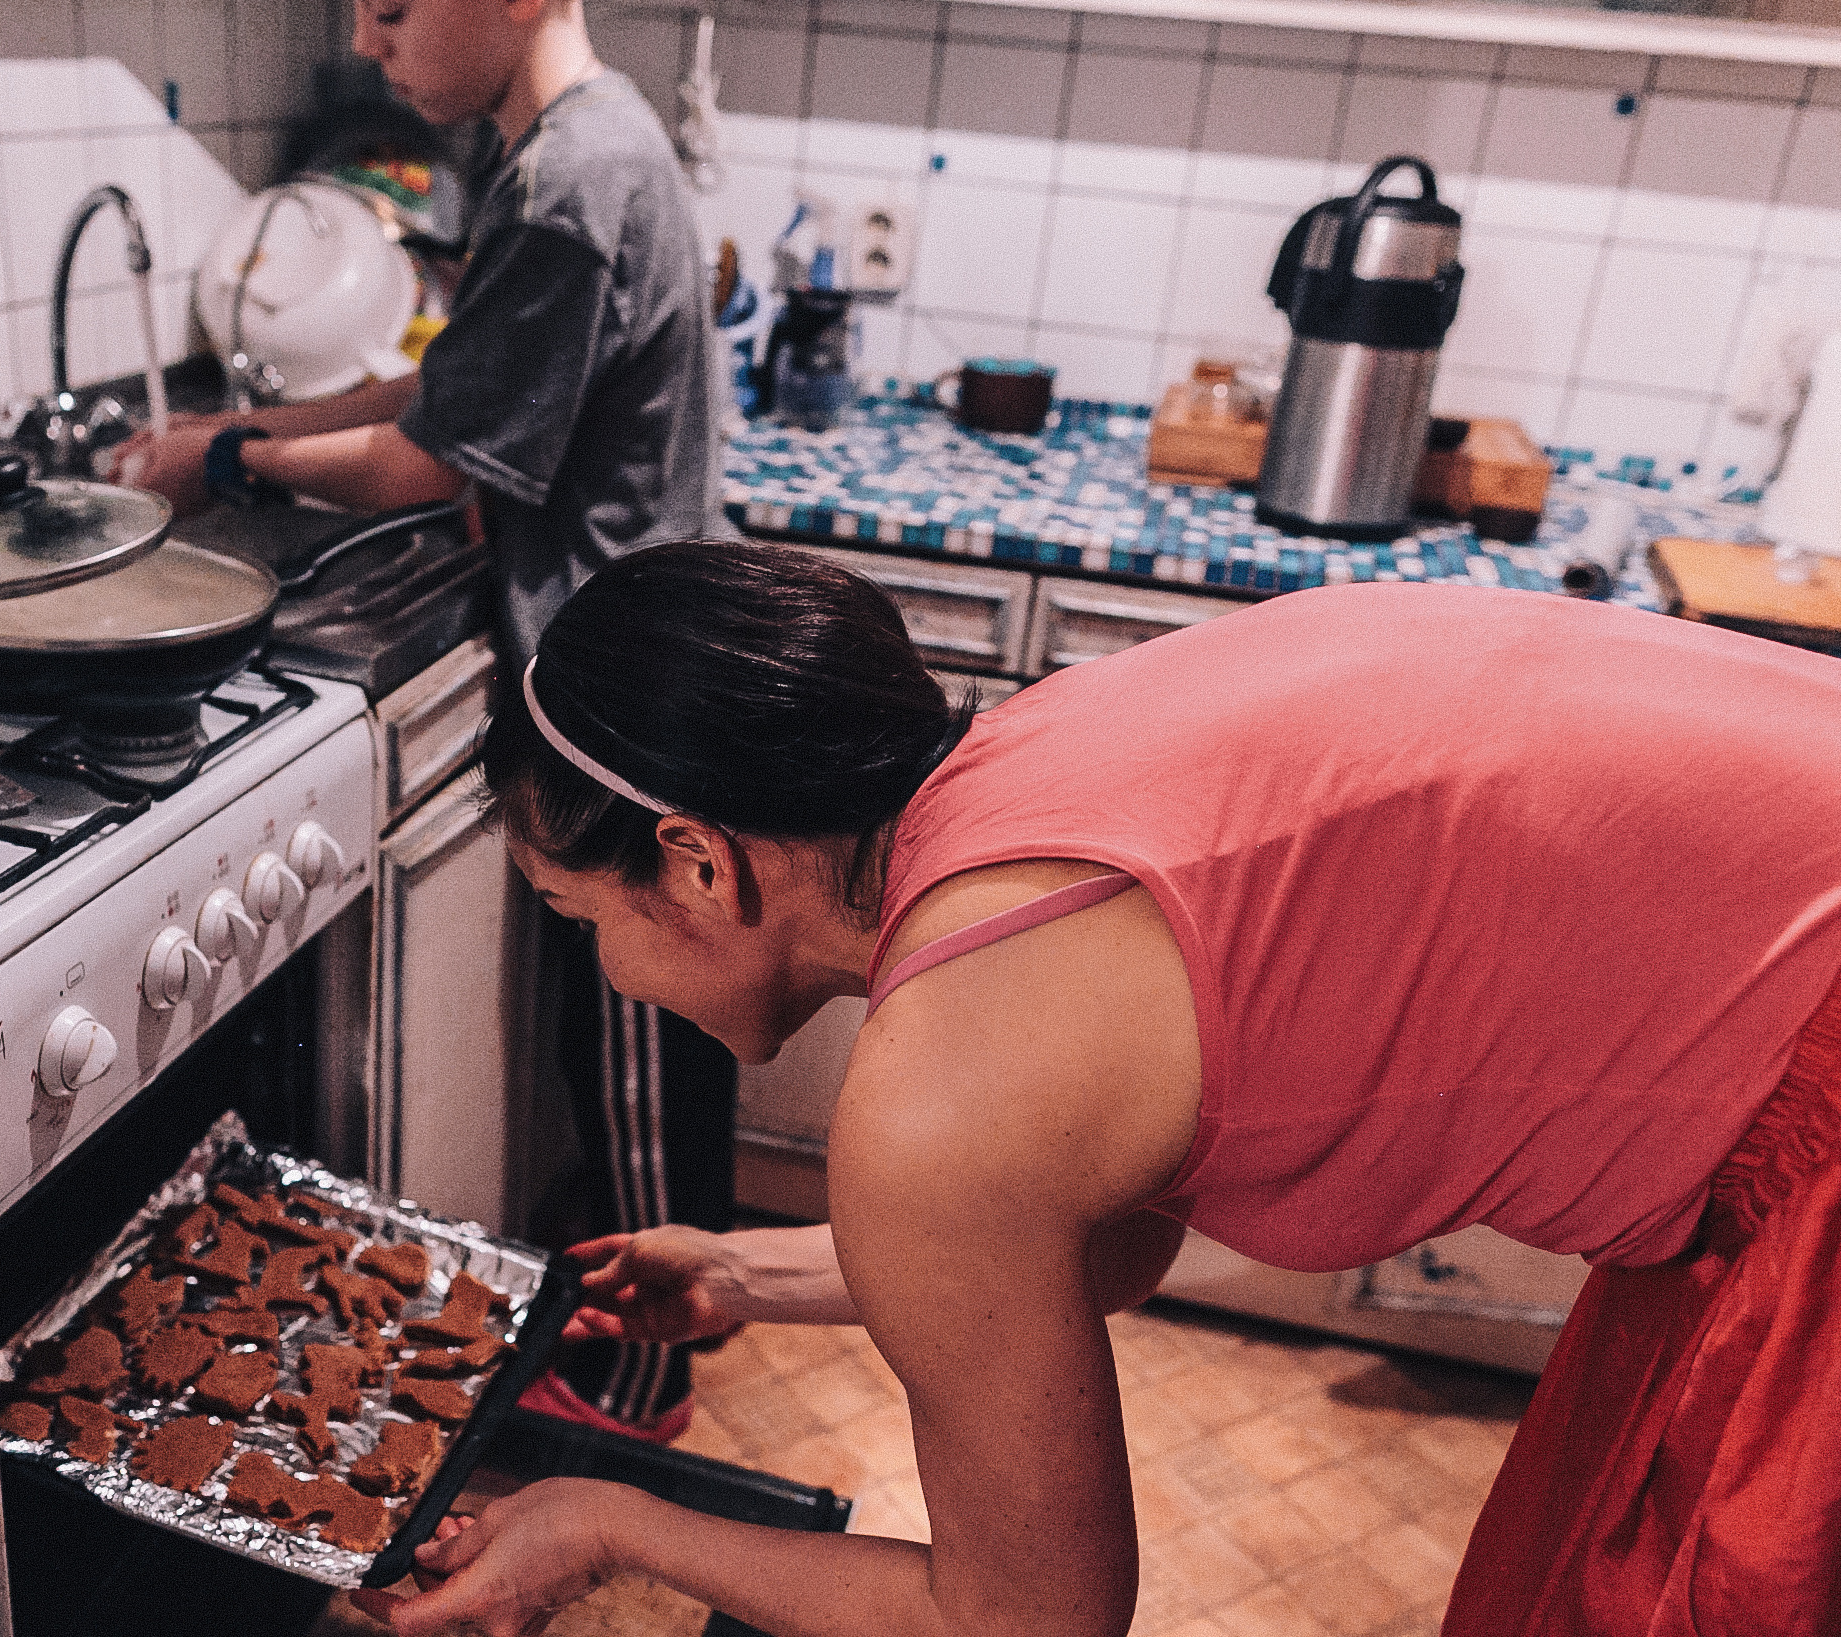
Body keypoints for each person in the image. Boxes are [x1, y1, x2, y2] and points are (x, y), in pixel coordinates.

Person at [353, 540, 1841, 1637]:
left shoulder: (944, 1085)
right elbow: (1104, 1228)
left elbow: (1030, 1623)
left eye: (577, 919)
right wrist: (750, 1271)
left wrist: (614, 1519)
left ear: (696, 860)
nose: (604, 972)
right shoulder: (1024, 777)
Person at [117, 0, 732, 1436]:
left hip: (626, 687)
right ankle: (635, 1315)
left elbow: (422, 463)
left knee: (639, 1044)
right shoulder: (564, 150)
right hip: (620, 647)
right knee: (620, 1041)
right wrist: (252, 432)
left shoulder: (572, 182)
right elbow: (452, 385)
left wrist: (223, 461)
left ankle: (644, 1383)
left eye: (394, 8)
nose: (371, 46)